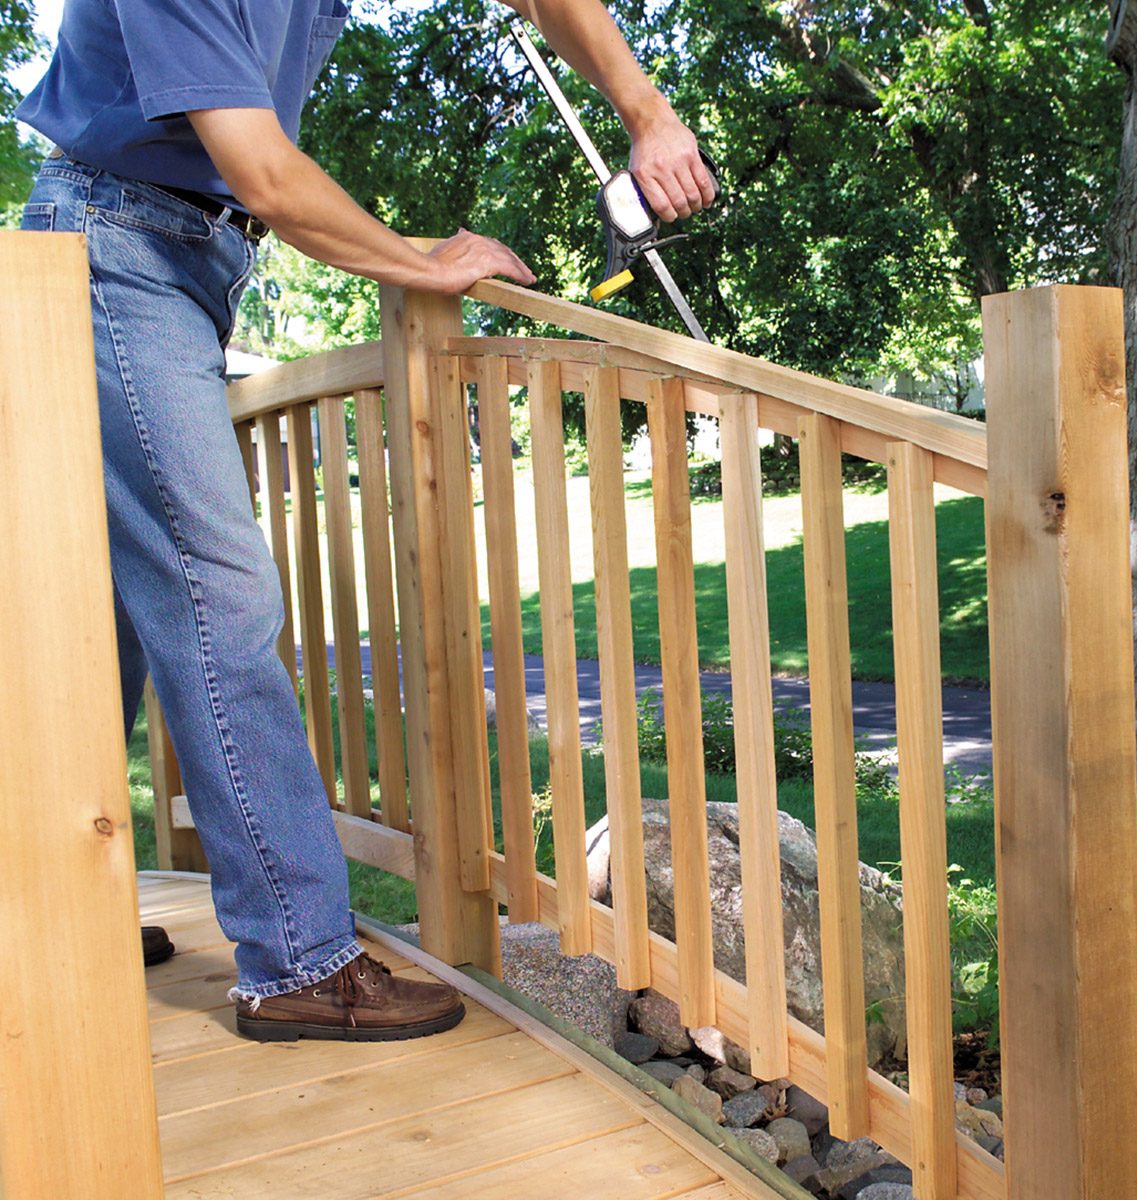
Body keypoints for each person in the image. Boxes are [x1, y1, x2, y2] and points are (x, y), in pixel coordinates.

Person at [13, 0, 714, 1043]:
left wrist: (647, 111)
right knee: (222, 599)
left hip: (183, 256)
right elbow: (263, 172)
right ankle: (300, 960)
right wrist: (420, 261)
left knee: (107, 608)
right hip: (114, 249)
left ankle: (41, 908)